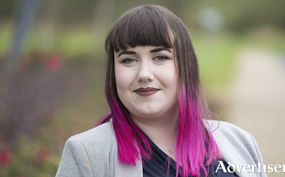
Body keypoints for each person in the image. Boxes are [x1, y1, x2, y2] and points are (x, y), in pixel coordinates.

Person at [56, 5, 266, 177]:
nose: (144, 74)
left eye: (160, 57)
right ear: (113, 73)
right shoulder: (86, 152)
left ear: (186, 67)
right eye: (128, 60)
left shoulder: (240, 141)